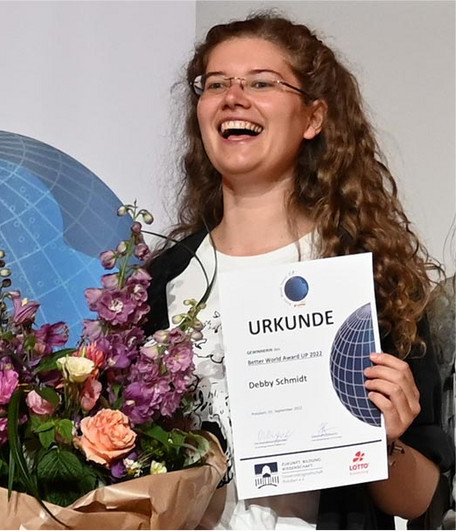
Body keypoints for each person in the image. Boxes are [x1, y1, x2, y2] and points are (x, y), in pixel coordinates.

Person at [143, 13, 454, 530]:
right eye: (215, 84)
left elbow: (423, 501)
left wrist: (383, 440)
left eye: (261, 83)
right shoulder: (161, 281)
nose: (233, 97)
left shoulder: (369, 280)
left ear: (313, 118)